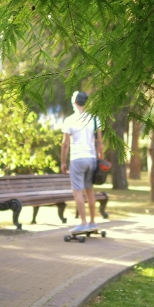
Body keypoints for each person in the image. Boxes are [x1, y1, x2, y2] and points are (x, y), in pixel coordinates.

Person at [61, 91, 103, 233]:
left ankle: (83, 223)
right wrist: (100, 158)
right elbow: (100, 142)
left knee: (77, 191)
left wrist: (63, 162)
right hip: (91, 159)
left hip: (77, 160)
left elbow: (65, 144)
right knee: (89, 191)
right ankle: (92, 222)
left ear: (74, 102)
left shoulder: (69, 120)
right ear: (86, 103)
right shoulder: (95, 119)